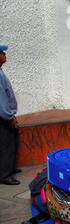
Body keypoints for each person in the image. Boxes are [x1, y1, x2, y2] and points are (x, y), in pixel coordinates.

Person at [0, 45, 20, 185]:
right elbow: (1, 99)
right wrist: (9, 116)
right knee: (6, 145)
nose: (4, 55)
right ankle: (5, 175)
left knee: (10, 143)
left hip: (5, 117)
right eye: (2, 53)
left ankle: (9, 169)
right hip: (3, 118)